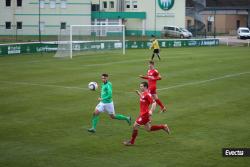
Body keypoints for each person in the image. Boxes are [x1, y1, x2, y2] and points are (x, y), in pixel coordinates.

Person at [123, 82, 170, 146]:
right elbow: (143, 97)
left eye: (141, 86)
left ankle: (132, 142)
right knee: (148, 129)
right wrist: (139, 93)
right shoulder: (143, 93)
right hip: (143, 114)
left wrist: (151, 111)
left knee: (135, 125)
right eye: (140, 86)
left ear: (145, 87)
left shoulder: (148, 94)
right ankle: (163, 126)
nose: (140, 87)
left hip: (145, 114)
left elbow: (154, 103)